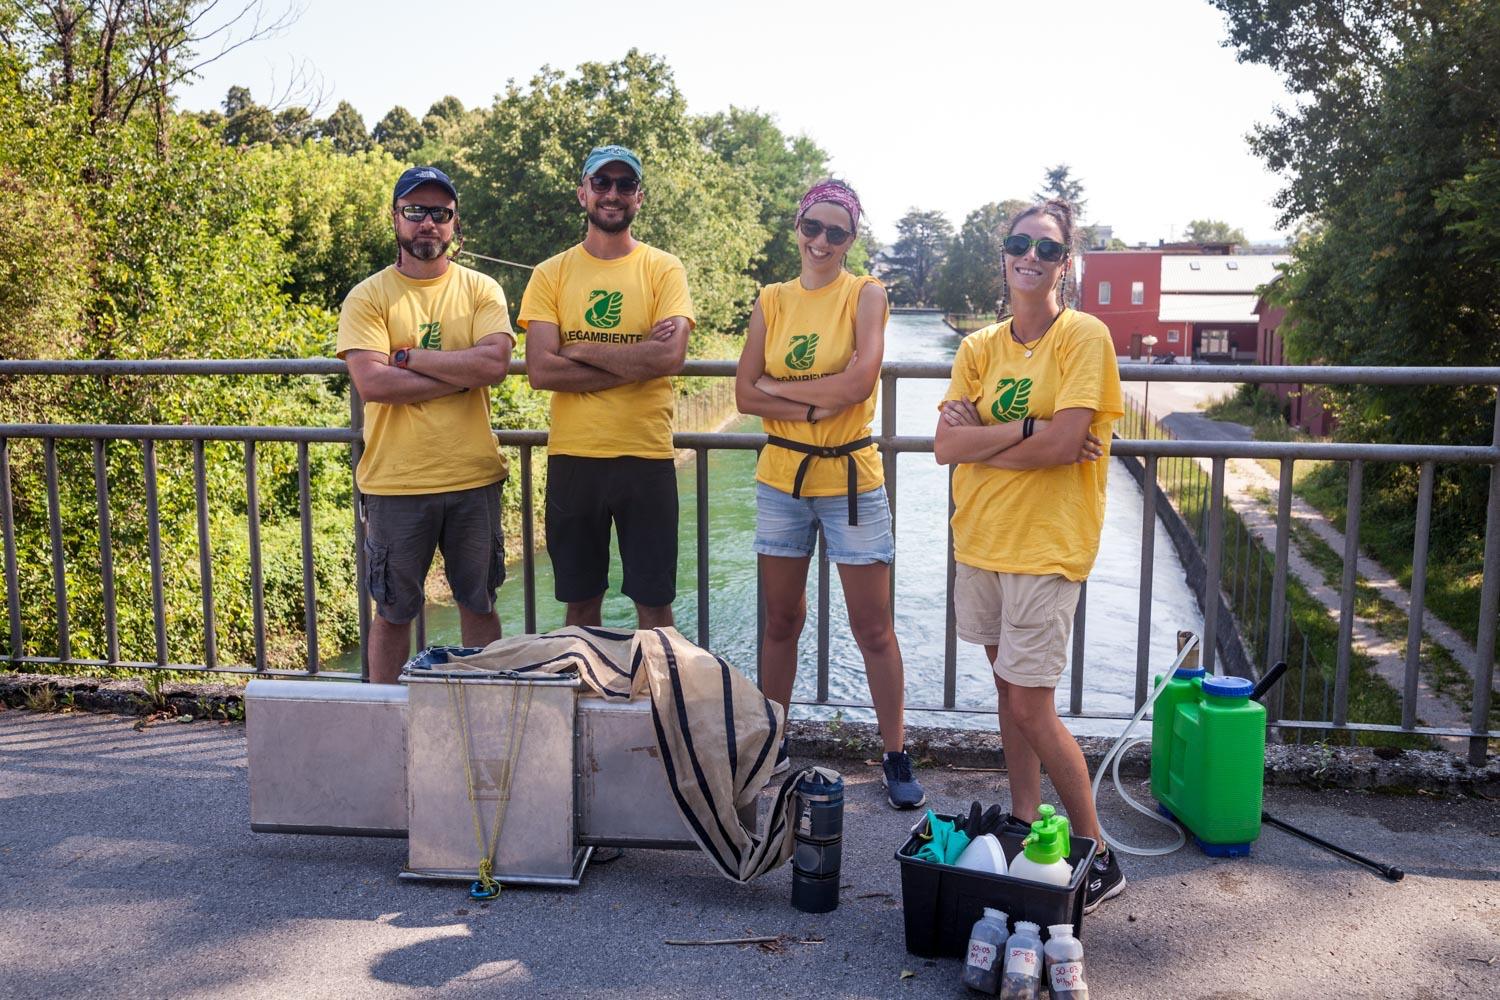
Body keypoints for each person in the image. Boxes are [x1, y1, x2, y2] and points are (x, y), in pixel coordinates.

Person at [932, 198, 1125, 911]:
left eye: (1047, 249)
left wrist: (995, 437)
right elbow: (945, 447)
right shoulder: (978, 347)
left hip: (1047, 548)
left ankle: (1097, 852)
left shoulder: (1084, 338)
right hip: (980, 540)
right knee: (1008, 697)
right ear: (1004, 254)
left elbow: (1060, 447)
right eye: (1020, 244)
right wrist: (1027, 428)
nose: (1031, 258)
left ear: (1064, 263)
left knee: (1034, 707)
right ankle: (1022, 819)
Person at [734, 179, 925, 810]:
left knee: (874, 627)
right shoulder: (772, 299)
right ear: (797, 227)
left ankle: (896, 752)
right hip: (782, 481)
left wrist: (787, 394)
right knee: (781, 620)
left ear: (851, 239)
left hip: (851, 481)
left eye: (835, 232)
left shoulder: (866, 293)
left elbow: (860, 381)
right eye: (812, 228)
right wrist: (818, 402)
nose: (821, 241)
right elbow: (743, 393)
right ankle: (774, 742)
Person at [336, 166, 517, 684]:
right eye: (415, 212)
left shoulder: (482, 289)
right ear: (395, 218)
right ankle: (382, 721)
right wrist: (461, 373)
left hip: (473, 478)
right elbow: (374, 384)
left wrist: (411, 357)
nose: (428, 224)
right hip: (396, 482)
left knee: (478, 604)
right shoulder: (368, 296)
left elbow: (494, 366)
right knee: (394, 612)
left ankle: (487, 715)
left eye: (440, 213)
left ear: (455, 223)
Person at [519, 145, 695, 629]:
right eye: (602, 183)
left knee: (655, 605)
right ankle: (585, 698)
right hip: (575, 458)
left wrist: (577, 347)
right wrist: (636, 359)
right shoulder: (550, 273)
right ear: (583, 193)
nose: (612, 194)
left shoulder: (664, 268)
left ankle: (655, 701)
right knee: (579, 606)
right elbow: (541, 371)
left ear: (640, 197)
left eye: (624, 185)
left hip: (647, 457)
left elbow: (669, 357)